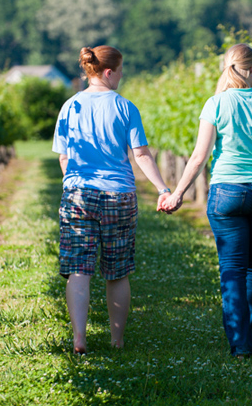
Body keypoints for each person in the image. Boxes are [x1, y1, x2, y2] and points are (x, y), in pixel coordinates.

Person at [158, 43, 252, 358]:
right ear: (251, 70)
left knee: (232, 268)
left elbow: (199, 156)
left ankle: (241, 345)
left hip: (227, 192)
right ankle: (250, 340)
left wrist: (178, 193)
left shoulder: (215, 104)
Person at [53, 45, 171, 354]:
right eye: (120, 71)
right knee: (117, 272)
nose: (121, 77)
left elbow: (64, 157)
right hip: (118, 195)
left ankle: (79, 339)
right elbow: (141, 155)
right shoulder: (125, 107)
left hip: (78, 193)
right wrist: (162, 188)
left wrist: (73, 183)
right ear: (109, 72)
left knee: (79, 269)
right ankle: (116, 341)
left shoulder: (70, 107)